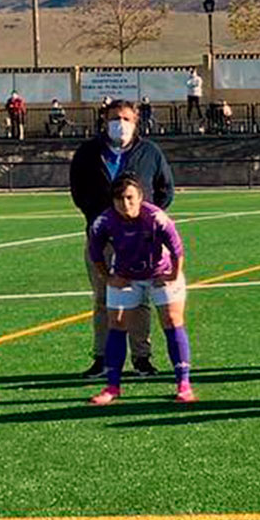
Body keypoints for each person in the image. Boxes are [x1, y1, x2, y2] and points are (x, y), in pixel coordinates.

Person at [70, 99, 175, 377]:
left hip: (141, 242)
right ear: (104, 120)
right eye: (115, 118)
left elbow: (165, 189)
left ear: (136, 121)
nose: (120, 123)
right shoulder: (89, 152)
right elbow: (78, 190)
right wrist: (99, 219)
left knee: (139, 299)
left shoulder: (149, 152)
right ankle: (102, 358)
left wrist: (146, 219)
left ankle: (142, 358)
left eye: (126, 118)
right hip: (101, 239)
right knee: (103, 298)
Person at [86, 174, 195, 406]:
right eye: (119, 199)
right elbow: (95, 252)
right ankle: (112, 386)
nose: (125, 204)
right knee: (116, 323)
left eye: (129, 198)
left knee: (172, 320)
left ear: (140, 197)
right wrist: (109, 278)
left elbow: (177, 249)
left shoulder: (156, 217)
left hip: (160, 273)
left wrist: (173, 275)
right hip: (125, 276)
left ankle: (183, 385)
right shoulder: (104, 222)